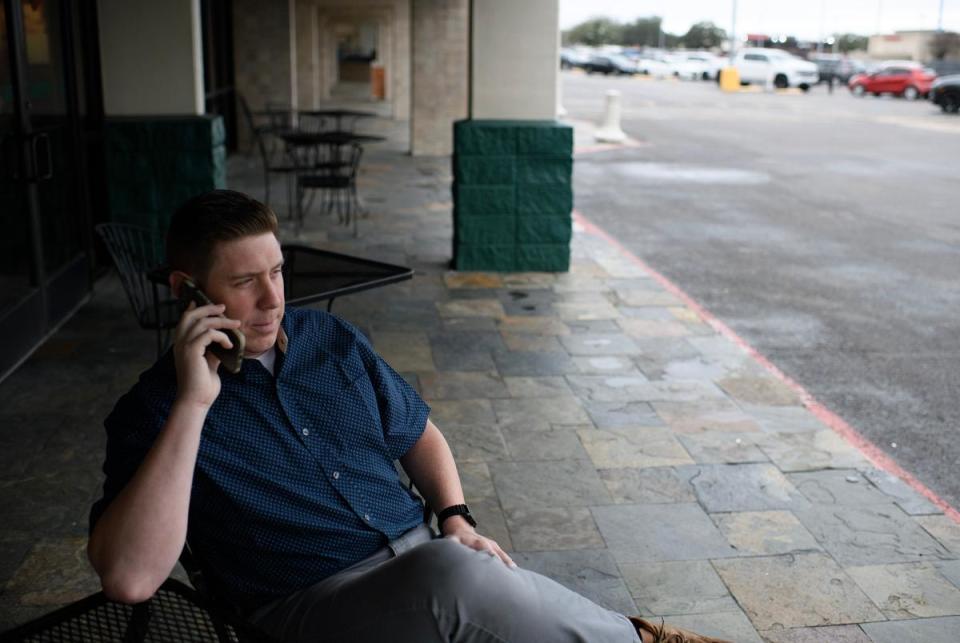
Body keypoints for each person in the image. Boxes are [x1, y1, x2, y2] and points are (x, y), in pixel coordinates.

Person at [88, 190, 729, 643]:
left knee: (474, 576)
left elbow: (417, 432)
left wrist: (454, 516)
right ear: (186, 292)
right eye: (244, 282)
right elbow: (130, 579)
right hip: (312, 604)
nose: (274, 299)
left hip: (428, 562)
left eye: (279, 272)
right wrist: (194, 404)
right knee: (460, 580)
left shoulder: (330, 340)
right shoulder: (152, 413)